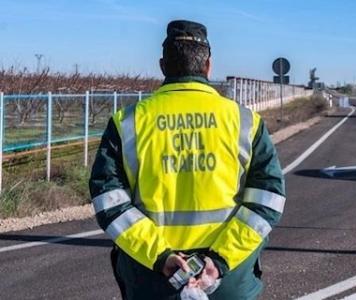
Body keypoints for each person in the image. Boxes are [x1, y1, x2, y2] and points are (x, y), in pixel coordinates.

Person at [89, 20, 285, 299]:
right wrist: (219, 262)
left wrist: (161, 257)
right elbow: (268, 199)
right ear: (208, 66)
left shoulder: (127, 123)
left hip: (152, 280)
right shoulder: (245, 122)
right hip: (226, 281)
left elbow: (108, 200)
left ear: (162, 66)